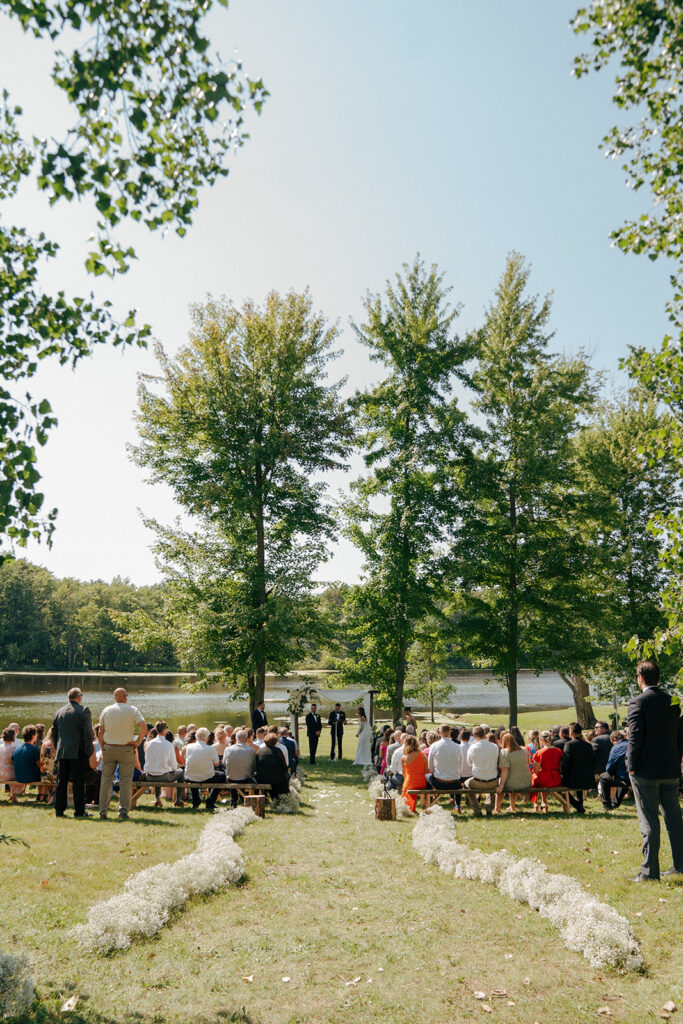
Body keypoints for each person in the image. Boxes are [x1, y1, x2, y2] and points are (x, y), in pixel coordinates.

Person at [627, 660, 683, 882]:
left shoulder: (638, 702)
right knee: (675, 819)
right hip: (670, 768)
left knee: (649, 820)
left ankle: (649, 872)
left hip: (645, 771)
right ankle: (680, 865)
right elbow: (679, 735)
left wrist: (631, 766)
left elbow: (635, 738)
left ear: (641, 678)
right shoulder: (673, 701)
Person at [98, 687, 147, 821]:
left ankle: (103, 811)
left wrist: (103, 747)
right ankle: (123, 812)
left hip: (109, 747)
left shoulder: (106, 710)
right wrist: (137, 743)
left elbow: (100, 732)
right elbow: (144, 727)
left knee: (106, 780)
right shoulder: (132, 710)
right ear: (125, 697)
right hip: (126, 748)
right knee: (125, 782)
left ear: (114, 698)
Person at [51, 687, 95, 818]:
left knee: (61, 782)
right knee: (78, 782)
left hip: (63, 751)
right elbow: (88, 734)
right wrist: (89, 751)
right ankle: (79, 811)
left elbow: (54, 732)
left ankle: (59, 810)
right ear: (79, 697)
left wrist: (58, 746)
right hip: (78, 751)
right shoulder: (84, 711)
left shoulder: (59, 711)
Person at [142, 721, 184, 806]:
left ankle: (157, 799)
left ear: (156, 730)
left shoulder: (149, 743)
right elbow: (173, 765)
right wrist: (175, 769)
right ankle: (178, 800)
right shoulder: (168, 745)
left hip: (149, 776)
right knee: (181, 773)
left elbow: (147, 760)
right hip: (163, 776)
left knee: (158, 770)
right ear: (165, 729)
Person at [464, 726, 499, 816]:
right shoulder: (494, 746)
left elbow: (469, 763)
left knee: (466, 784)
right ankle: (489, 806)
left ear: (475, 736)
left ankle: (476, 807)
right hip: (493, 781)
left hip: (477, 782)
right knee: (490, 787)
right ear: (484, 734)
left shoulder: (472, 747)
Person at [184, 727, 222, 810]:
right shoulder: (211, 749)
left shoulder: (189, 747)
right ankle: (210, 801)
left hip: (190, 776)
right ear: (207, 737)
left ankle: (196, 801)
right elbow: (216, 764)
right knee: (222, 777)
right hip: (206, 777)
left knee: (194, 773)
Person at [560, 723, 595, 813]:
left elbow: (565, 763)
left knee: (559, 787)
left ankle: (578, 806)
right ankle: (580, 805)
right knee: (578, 784)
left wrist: (563, 773)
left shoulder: (569, 745)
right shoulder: (588, 745)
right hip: (587, 778)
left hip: (573, 778)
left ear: (571, 733)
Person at [531, 731, 569, 813]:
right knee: (540, 778)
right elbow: (560, 767)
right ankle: (543, 803)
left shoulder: (540, 752)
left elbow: (536, 770)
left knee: (535, 778)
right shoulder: (559, 751)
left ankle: (539, 803)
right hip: (556, 778)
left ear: (541, 740)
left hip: (545, 779)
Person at [495, 731, 532, 812]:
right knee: (511, 779)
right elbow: (528, 763)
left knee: (501, 782)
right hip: (526, 781)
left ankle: (497, 808)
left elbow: (504, 771)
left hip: (512, 782)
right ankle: (512, 806)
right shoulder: (524, 749)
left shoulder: (504, 752)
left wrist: (501, 786)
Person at [224, 728, 257, 807]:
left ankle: (233, 801)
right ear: (246, 739)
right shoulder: (251, 751)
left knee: (233, 773)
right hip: (245, 779)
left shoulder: (227, 749)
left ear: (236, 738)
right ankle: (243, 799)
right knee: (249, 775)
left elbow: (224, 764)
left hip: (231, 778)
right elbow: (253, 766)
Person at [598, 730, 630, 811]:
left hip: (624, 778)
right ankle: (614, 804)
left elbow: (610, 766)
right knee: (622, 780)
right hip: (635, 776)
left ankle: (607, 805)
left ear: (614, 739)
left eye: (611, 742)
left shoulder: (616, 747)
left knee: (603, 777)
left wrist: (610, 773)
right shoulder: (631, 744)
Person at [427, 724, 462, 793]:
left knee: (427, 776)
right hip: (454, 783)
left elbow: (430, 767)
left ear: (439, 733)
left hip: (438, 783)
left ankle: (429, 800)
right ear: (449, 733)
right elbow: (460, 767)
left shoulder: (434, 746)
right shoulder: (458, 747)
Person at [255, 731, 289, 797]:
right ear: (275, 742)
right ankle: (282, 797)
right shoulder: (278, 751)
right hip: (276, 779)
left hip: (262, 778)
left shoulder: (259, 751)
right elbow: (284, 765)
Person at [12, 725, 42, 797]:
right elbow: (39, 766)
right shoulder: (35, 750)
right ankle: (43, 795)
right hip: (30, 778)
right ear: (33, 736)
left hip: (18, 777)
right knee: (45, 774)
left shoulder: (17, 748)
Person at [401, 734, 428, 812]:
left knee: (406, 786)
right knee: (409, 784)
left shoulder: (404, 758)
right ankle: (412, 808)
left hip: (410, 782)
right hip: (422, 782)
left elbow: (404, 773)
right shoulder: (422, 755)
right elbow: (426, 770)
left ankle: (409, 808)